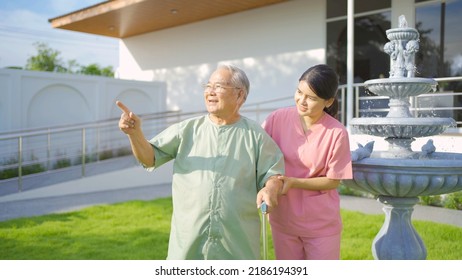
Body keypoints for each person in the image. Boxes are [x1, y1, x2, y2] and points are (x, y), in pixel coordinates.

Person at [116, 64, 284, 260]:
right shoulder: (186, 129)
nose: (210, 92)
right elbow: (149, 157)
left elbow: (273, 174)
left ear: (239, 96)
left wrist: (271, 187)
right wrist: (135, 134)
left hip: (237, 243)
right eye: (208, 86)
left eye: (219, 86)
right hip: (189, 241)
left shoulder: (256, 136)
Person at [262, 64, 353, 260]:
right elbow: (258, 154)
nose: (302, 101)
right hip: (283, 219)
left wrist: (294, 182)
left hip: (320, 224)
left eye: (311, 98)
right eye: (299, 92)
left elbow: (333, 180)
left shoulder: (337, 133)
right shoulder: (277, 118)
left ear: (328, 102)